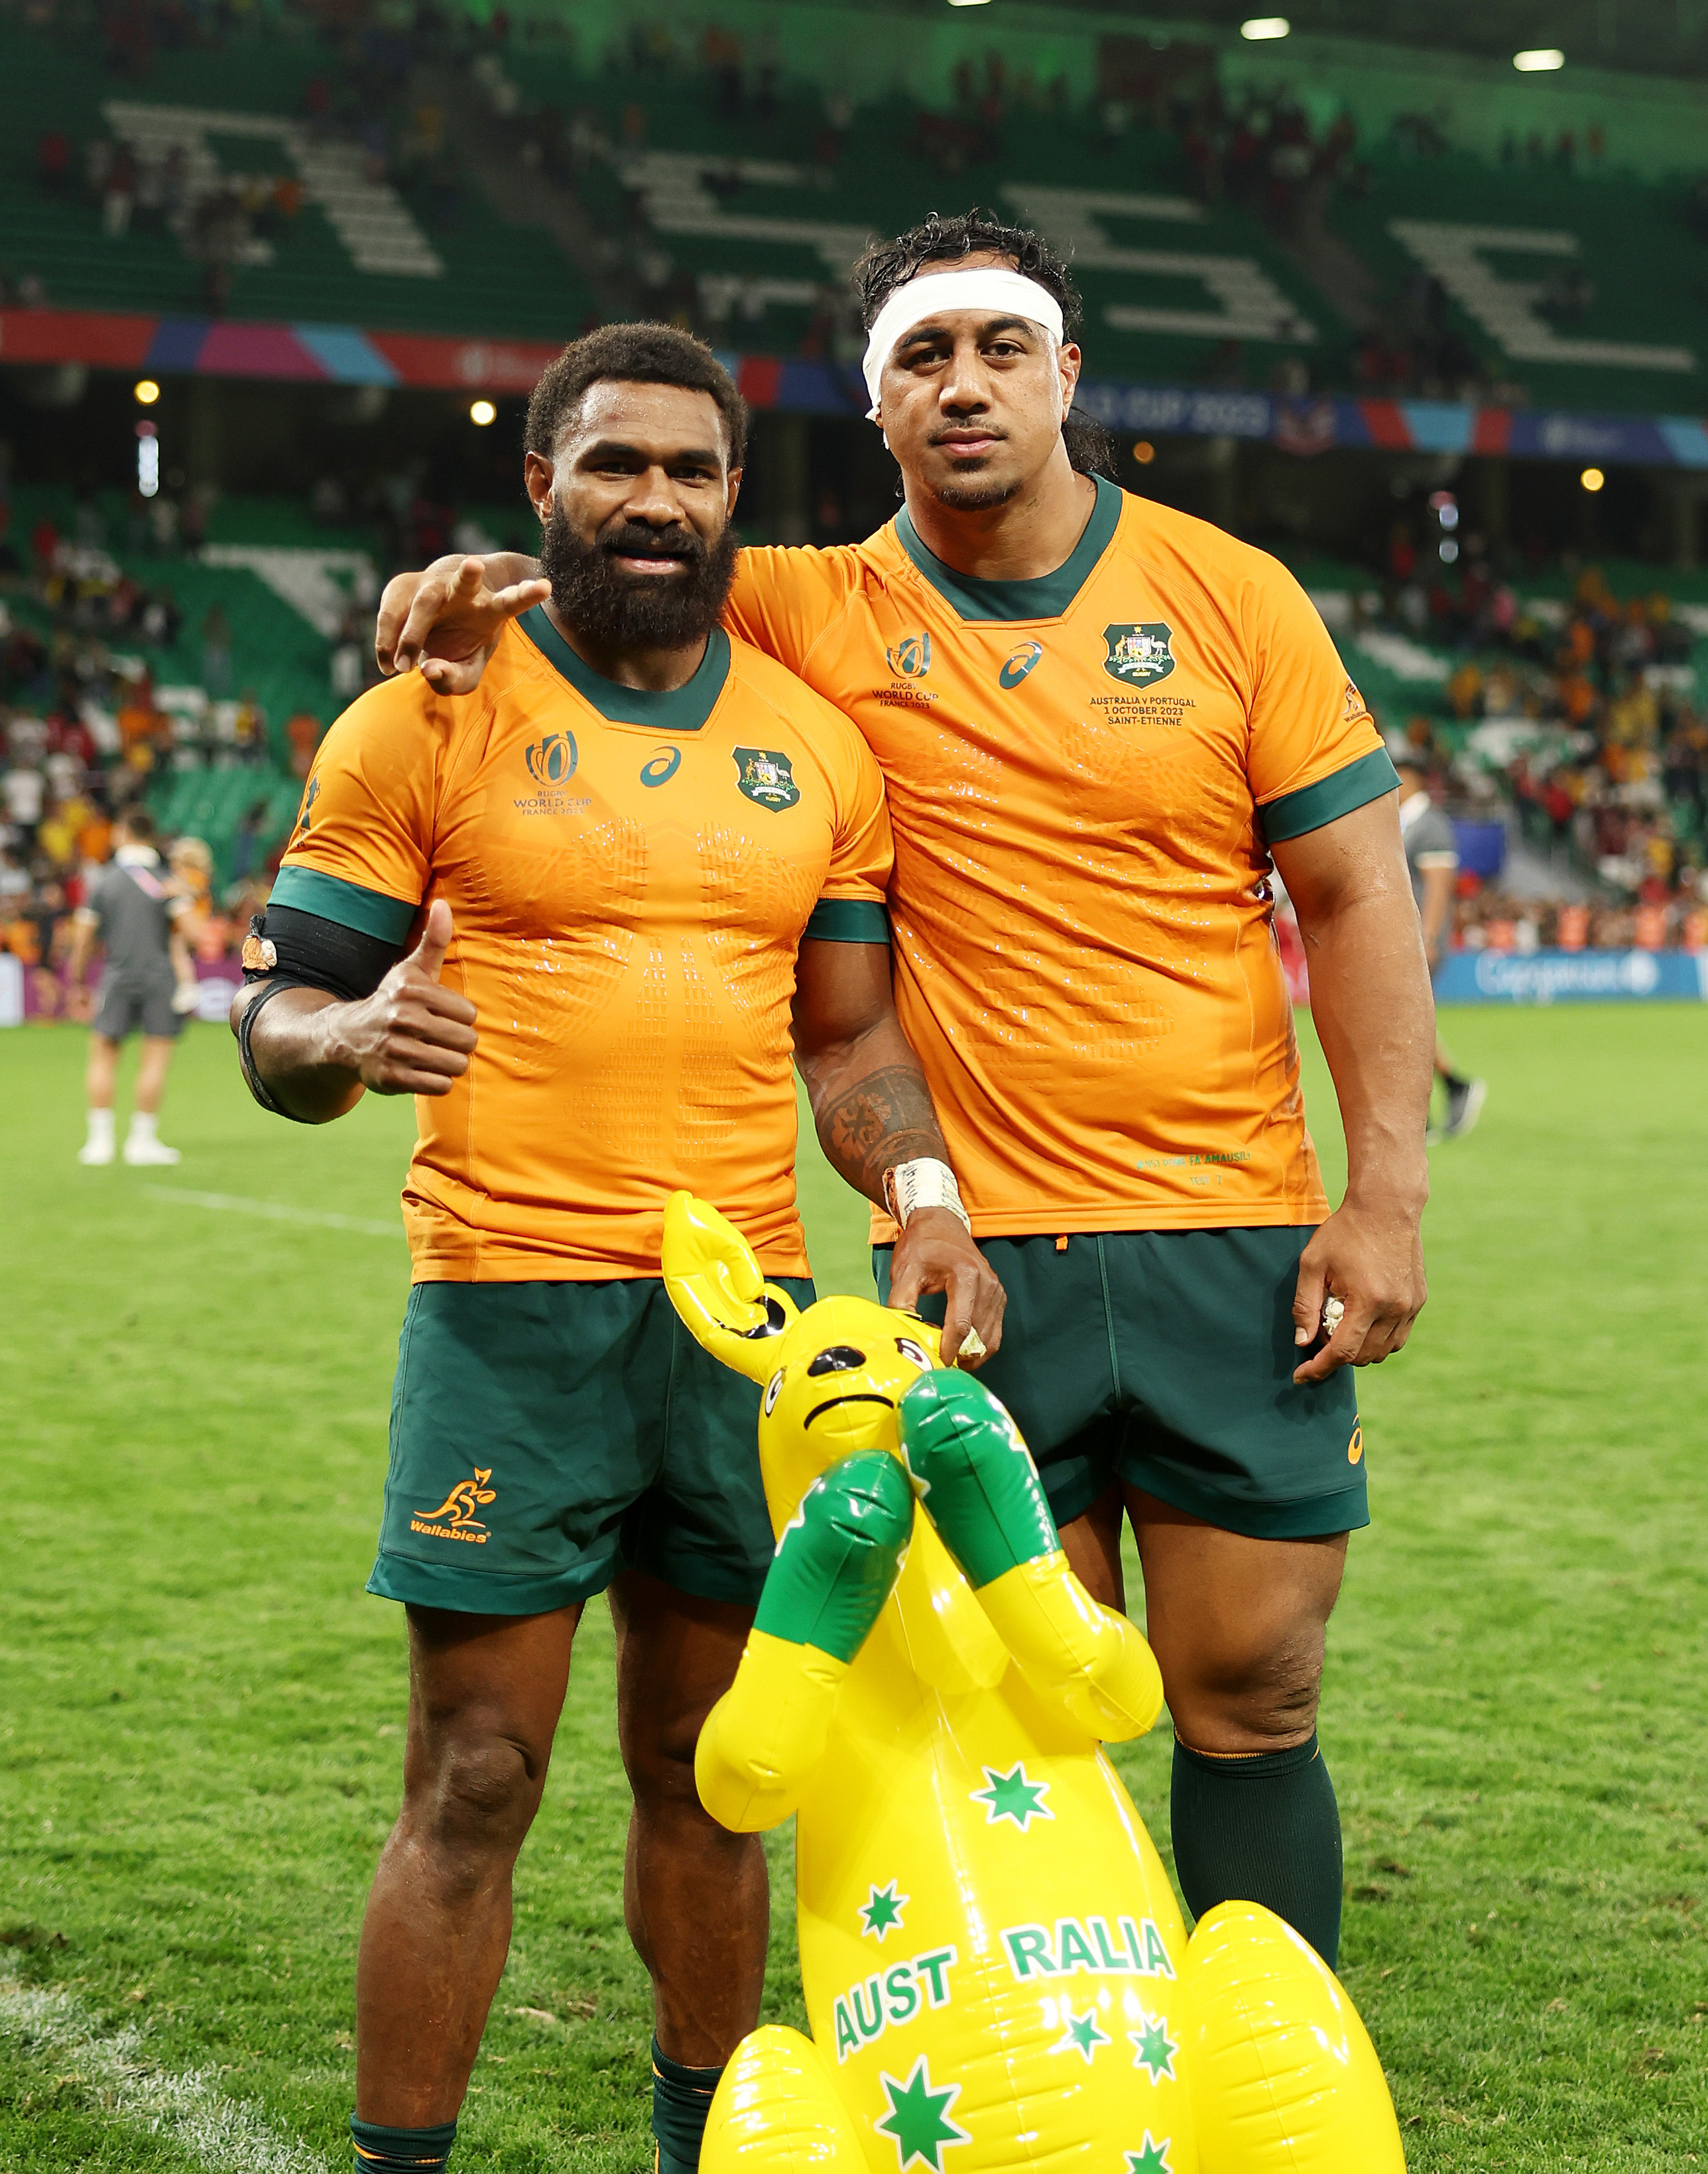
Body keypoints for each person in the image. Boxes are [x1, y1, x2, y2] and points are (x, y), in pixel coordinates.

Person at [377, 210, 1437, 2006]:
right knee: (1018, 1702)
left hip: (1234, 1226)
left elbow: (1351, 899)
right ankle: (1083, 2093)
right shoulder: (805, 603)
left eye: (997, 349)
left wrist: (1385, 1198)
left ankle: (1276, 2088)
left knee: (1250, 1689)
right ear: (875, 409)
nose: (963, 386)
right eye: (920, 361)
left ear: (1063, 373)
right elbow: (627, 553)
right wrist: (464, 575)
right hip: (974, 1257)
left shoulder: (1227, 594)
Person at [231, 324, 1001, 2174]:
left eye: (691, 471)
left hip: (737, 1324)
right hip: (507, 1307)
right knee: (475, 1780)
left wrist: (920, 1191)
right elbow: (274, 1024)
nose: (654, 501)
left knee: (709, 1768)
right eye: (614, 466)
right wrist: (344, 1040)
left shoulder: (814, 746)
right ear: (544, 483)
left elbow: (848, 1045)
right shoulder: (425, 712)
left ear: (736, 500)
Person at [68, 806, 198, 1164]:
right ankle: (142, 1142)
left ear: (123, 833)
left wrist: (77, 982)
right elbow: (196, 934)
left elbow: (82, 942)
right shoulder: (165, 879)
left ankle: (100, 1143)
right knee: (154, 1060)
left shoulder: (104, 881)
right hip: (160, 978)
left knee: (103, 1056)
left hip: (117, 977)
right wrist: (186, 893)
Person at [1392, 743, 1486, 1140]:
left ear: (1409, 778)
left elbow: (1439, 887)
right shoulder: (1406, 821)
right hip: (1403, 937)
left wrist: (1428, 937)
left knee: (1404, 1019)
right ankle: (1428, 1106)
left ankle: (1453, 1087)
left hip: (1420, 939)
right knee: (1400, 1021)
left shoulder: (1430, 824)